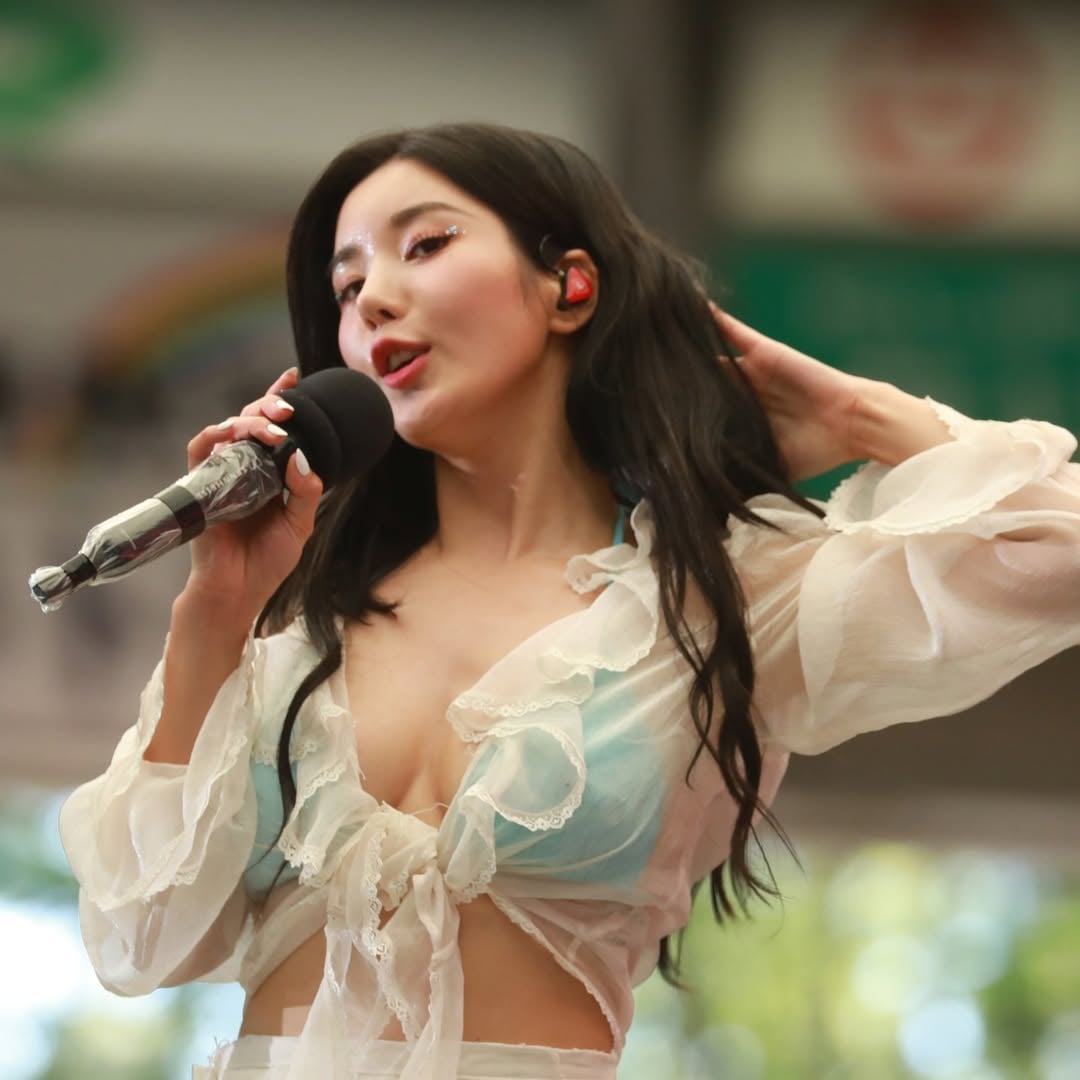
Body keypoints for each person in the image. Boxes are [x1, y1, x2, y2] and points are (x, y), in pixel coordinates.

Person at [58, 122, 1080, 1080]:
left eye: (424, 246)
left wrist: (856, 411)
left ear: (570, 286)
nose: (371, 300)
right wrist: (216, 612)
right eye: (348, 280)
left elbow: (1055, 554)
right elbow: (141, 938)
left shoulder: (720, 597)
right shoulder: (293, 621)